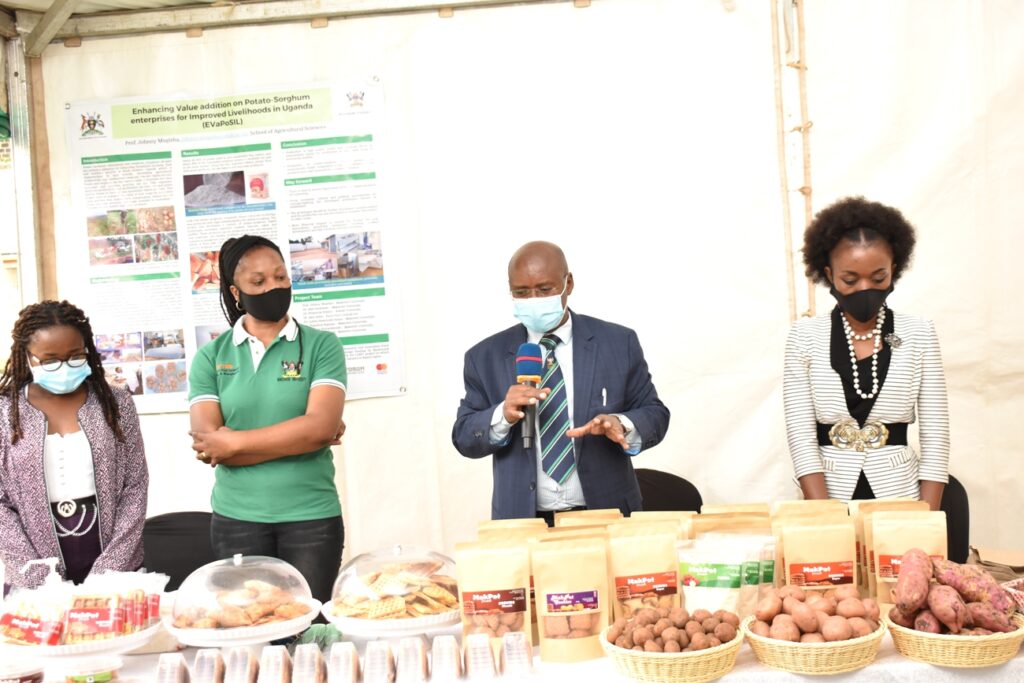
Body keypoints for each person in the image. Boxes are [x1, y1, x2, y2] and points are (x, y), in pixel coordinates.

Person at [453, 241, 670, 523]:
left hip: (606, 515)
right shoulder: (484, 357)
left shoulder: (617, 343)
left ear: (569, 283)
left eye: (544, 290)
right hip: (522, 521)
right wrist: (502, 416)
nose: (533, 300)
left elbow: (655, 414)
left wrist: (622, 423)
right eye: (522, 292)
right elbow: (464, 436)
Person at [188, 235, 347, 602]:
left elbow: (320, 427)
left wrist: (235, 442)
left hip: (311, 517)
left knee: (308, 633)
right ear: (236, 291)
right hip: (236, 519)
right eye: (258, 282)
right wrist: (300, 436)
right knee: (250, 630)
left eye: (280, 277)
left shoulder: (322, 345)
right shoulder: (211, 357)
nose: (273, 287)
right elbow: (208, 444)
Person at [783, 197, 950, 509]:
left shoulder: (920, 333)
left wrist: (926, 517)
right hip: (828, 496)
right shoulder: (804, 336)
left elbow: (936, 437)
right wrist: (825, 516)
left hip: (902, 495)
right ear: (829, 274)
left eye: (878, 278)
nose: (864, 288)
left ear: (894, 271)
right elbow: (801, 437)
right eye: (850, 279)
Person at [0, 300, 148, 590]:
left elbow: (135, 486)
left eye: (75, 356)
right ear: (27, 357)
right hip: (34, 570)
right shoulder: (5, 413)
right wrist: (37, 579)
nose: (64, 367)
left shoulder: (116, 404)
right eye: (50, 360)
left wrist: (109, 572)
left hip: (118, 563)